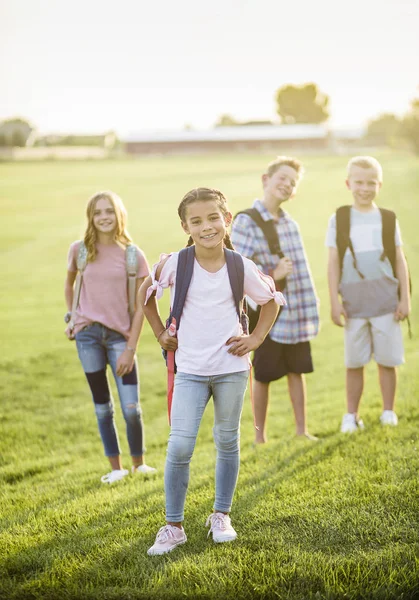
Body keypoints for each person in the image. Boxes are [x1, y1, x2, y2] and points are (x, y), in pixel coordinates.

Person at [135, 187, 284, 555]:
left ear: (227, 219)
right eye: (197, 221)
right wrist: (159, 333)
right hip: (189, 369)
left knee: (227, 440)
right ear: (185, 225)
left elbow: (271, 301)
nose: (206, 227)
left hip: (231, 368)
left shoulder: (240, 266)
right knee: (180, 444)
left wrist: (255, 339)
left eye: (213, 218)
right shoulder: (176, 263)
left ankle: (221, 514)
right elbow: (146, 294)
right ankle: (173, 526)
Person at [64, 190, 156, 484]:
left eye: (109, 211)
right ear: (90, 217)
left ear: (119, 216)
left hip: (120, 338)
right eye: (97, 212)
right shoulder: (79, 250)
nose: (104, 217)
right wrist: (72, 317)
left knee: (131, 407)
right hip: (87, 337)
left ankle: (138, 463)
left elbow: (143, 306)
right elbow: (70, 285)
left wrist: (131, 347)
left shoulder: (133, 255)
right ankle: (116, 468)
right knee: (102, 405)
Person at [231, 156, 319, 444]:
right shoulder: (246, 221)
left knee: (298, 369)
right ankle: (260, 437)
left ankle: (301, 430)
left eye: (292, 183)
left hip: (294, 312)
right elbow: (238, 267)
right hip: (268, 313)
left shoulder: (290, 224)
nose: (287, 184)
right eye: (282, 177)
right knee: (264, 374)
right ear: (266, 179)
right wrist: (273, 274)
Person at [326, 156, 411, 432]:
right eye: (359, 182)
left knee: (388, 361)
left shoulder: (387, 218)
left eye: (371, 182)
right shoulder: (339, 219)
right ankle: (352, 415)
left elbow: (399, 260)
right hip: (353, 304)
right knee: (354, 362)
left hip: (386, 301)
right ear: (348, 183)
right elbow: (332, 262)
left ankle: (389, 412)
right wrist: (334, 302)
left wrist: (405, 298)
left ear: (380, 184)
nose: (365, 188)